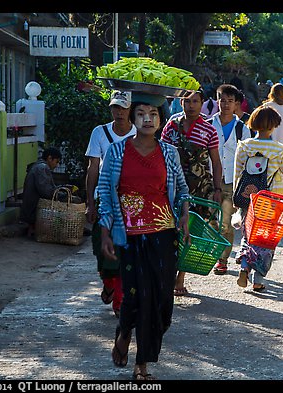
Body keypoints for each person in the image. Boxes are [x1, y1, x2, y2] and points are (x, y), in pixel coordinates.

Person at [98, 92, 190, 380]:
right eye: (141, 114)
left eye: (153, 114)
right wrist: (105, 233)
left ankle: (132, 338)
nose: (147, 119)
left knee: (162, 301)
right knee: (136, 296)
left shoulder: (169, 152)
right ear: (132, 117)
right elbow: (104, 193)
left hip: (163, 234)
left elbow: (182, 190)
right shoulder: (116, 152)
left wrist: (184, 214)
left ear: (162, 119)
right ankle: (139, 359)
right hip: (129, 235)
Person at [161, 89, 223, 296]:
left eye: (195, 101)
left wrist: (217, 189)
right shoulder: (171, 126)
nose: (191, 105)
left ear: (202, 103)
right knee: (169, 230)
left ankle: (180, 277)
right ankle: (166, 274)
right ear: (181, 102)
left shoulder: (209, 130)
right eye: (187, 101)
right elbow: (161, 154)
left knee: (192, 232)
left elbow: (215, 162)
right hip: (172, 185)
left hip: (200, 189)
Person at [84, 90, 137, 317]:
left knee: (128, 249)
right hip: (105, 198)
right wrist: (90, 203)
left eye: (123, 108)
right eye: (115, 107)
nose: (119, 112)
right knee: (102, 249)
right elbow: (93, 168)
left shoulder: (141, 134)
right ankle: (108, 283)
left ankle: (120, 299)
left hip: (132, 201)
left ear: (131, 110)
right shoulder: (100, 133)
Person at [233, 105, 283, 291]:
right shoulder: (279, 149)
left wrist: (239, 198)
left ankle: (244, 265)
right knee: (265, 239)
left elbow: (238, 174)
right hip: (271, 201)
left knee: (248, 234)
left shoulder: (245, 146)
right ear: (274, 125)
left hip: (248, 198)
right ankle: (257, 279)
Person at [208, 84, 251, 275]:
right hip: (209, 179)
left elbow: (248, 157)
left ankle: (222, 259)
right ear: (217, 102)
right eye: (222, 100)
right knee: (210, 219)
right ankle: (212, 251)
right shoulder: (208, 125)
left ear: (236, 105)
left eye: (230, 101)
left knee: (226, 221)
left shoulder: (243, 129)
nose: (225, 105)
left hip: (232, 181)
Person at [20, 147, 63, 237]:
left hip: (31, 207)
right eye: (56, 162)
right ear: (50, 158)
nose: (57, 165)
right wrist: (62, 195)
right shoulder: (42, 168)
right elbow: (46, 192)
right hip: (33, 210)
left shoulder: (39, 166)